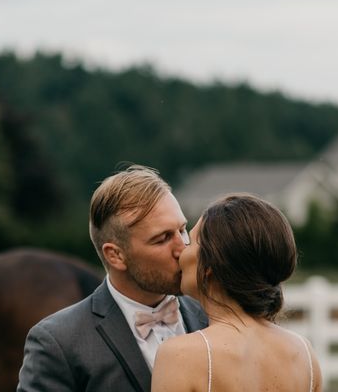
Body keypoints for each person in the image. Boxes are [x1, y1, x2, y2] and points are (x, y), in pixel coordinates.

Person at [17, 165, 208, 392]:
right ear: (115, 255)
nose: (183, 249)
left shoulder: (214, 315)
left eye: (182, 230)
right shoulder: (58, 343)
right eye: (163, 239)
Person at [152, 193, 322, 392]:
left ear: (209, 264)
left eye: (190, 241)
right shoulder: (304, 354)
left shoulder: (180, 355)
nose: (181, 251)